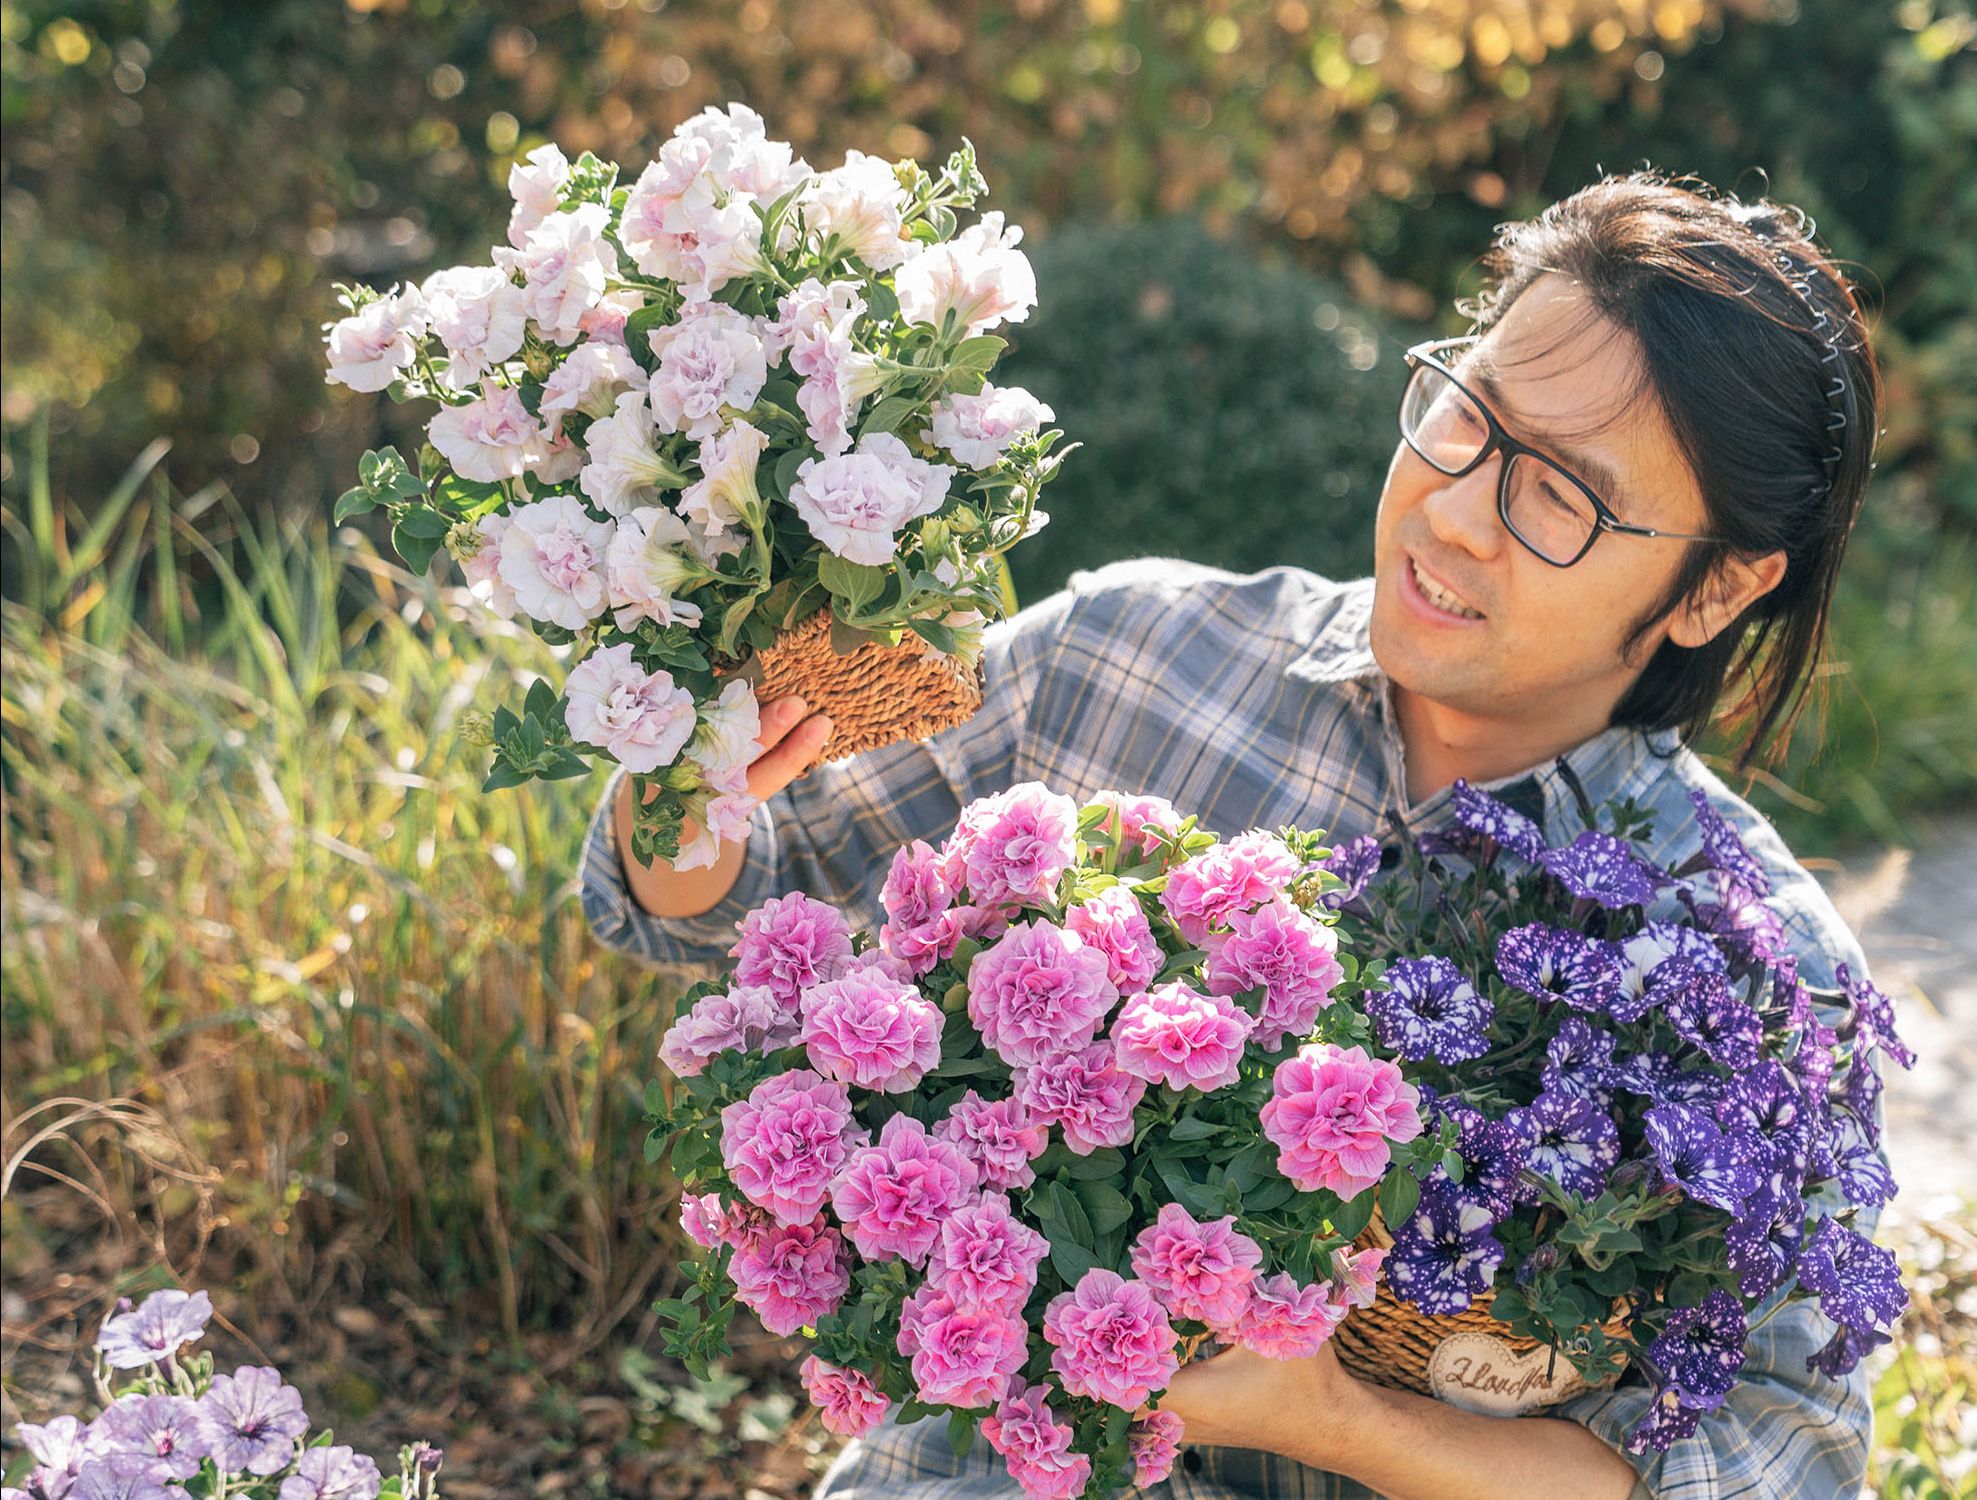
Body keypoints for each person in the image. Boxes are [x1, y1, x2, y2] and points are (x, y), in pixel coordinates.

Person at [575, 171, 1889, 1499]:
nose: (1454, 511)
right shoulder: (1139, 656)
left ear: (1717, 586)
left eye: (1560, 495)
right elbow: (716, 906)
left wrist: (1338, 1423)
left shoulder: (1745, 976)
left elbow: (1785, 1458)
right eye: (1466, 414)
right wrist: (687, 760)